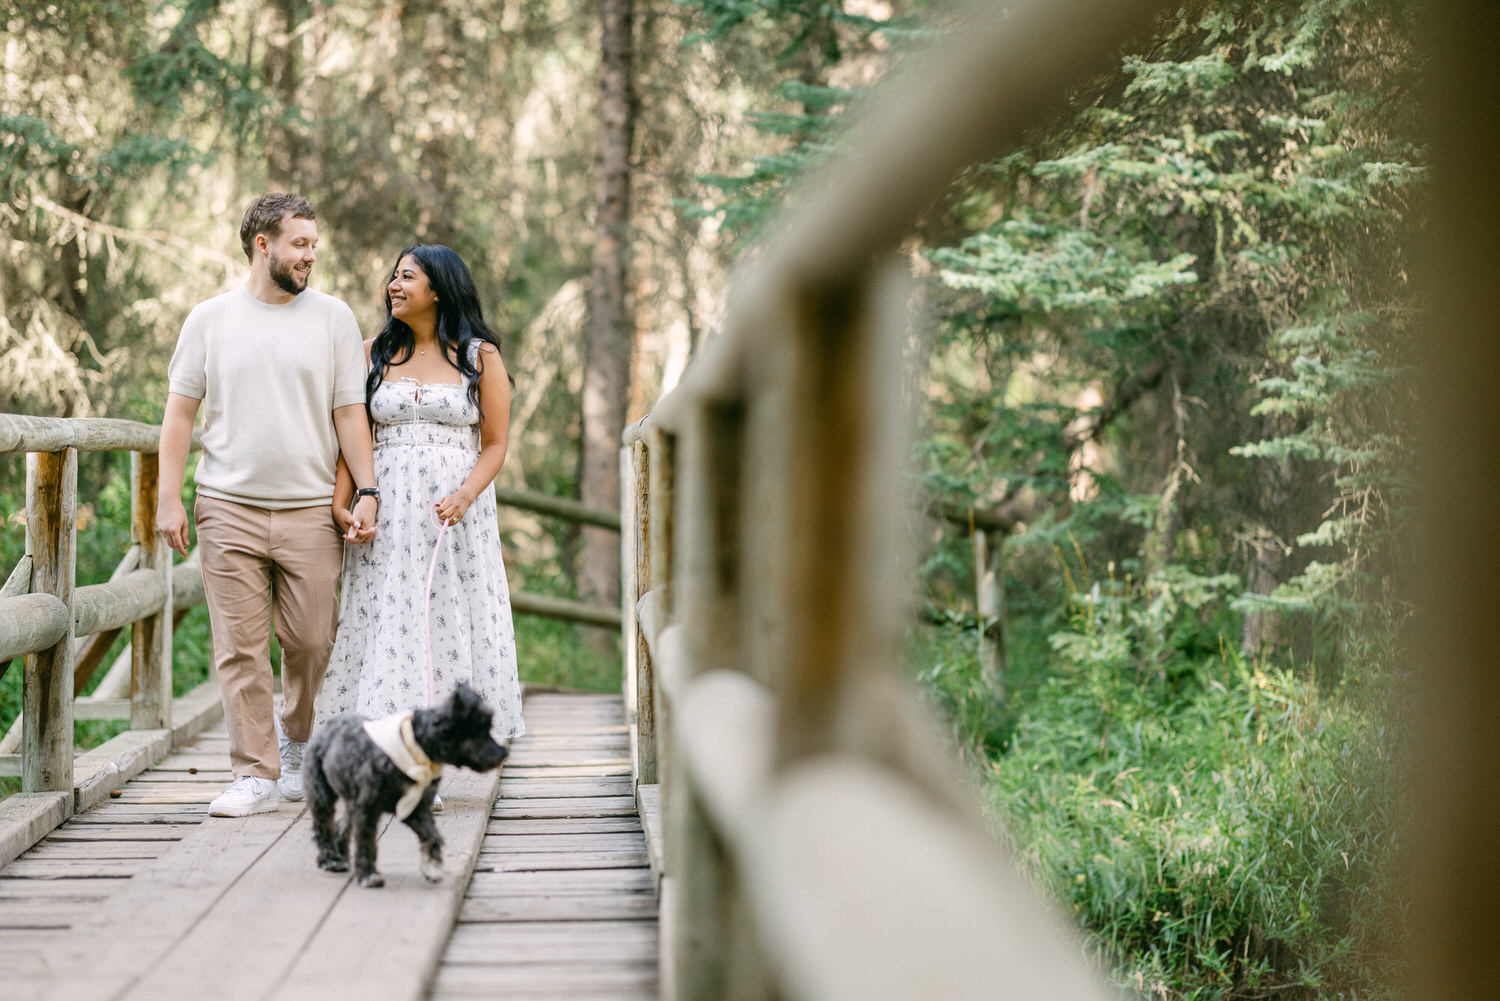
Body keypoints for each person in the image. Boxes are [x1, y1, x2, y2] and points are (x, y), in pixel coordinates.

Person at [157, 192, 380, 818]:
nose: (311, 255)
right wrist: (169, 499)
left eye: (314, 244)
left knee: (311, 640)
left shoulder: (333, 318)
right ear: (264, 245)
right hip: (227, 505)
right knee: (239, 646)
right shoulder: (209, 319)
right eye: (300, 244)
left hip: (311, 508)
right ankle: (254, 770)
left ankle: (298, 737)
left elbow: (349, 413)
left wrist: (367, 489)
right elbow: (179, 415)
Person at [316, 244, 524, 746]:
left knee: (445, 617)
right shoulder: (372, 353)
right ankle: (384, 744)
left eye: (407, 276)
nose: (394, 285)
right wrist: (342, 502)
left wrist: (465, 494)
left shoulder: (480, 357)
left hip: (452, 514)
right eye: (394, 275)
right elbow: (354, 435)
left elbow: (495, 444)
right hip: (385, 509)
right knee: (386, 617)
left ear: (438, 289)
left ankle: (437, 746)